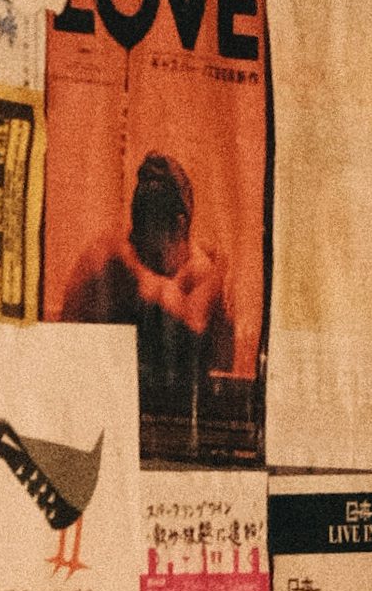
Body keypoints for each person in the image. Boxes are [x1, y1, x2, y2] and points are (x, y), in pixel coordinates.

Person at [58, 146, 238, 442]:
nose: (153, 258)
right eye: (144, 246)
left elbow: (221, 374)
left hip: (173, 426)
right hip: (93, 418)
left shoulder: (201, 268)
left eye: (156, 249)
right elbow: (188, 317)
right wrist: (216, 274)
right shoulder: (111, 257)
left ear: (181, 226)